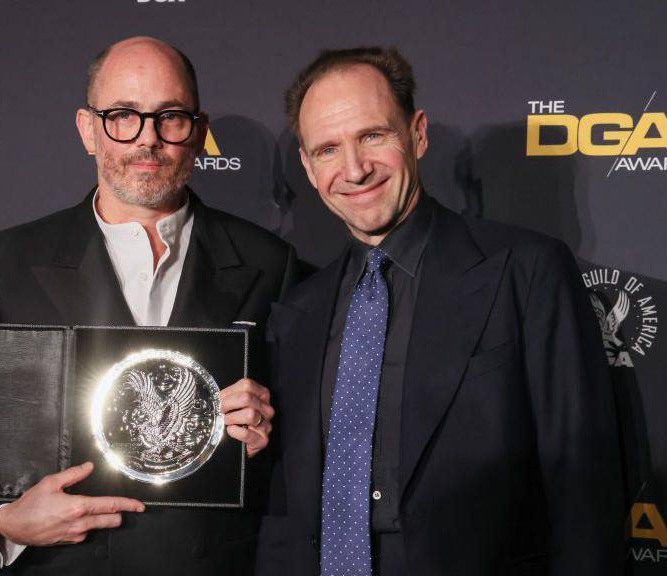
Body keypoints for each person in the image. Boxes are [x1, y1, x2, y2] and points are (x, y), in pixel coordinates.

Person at [255, 46, 625, 576]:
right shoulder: (297, 310)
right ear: (309, 170)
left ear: (417, 133)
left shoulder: (526, 271)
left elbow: (585, 488)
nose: (355, 169)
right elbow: (288, 512)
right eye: (328, 150)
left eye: (372, 137)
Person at [0, 36, 299, 575]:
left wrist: (267, 438)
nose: (147, 139)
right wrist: (4, 520)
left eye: (169, 117)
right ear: (88, 129)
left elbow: (308, 444)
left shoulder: (272, 263)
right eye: (123, 116)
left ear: (198, 132)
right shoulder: (6, 261)